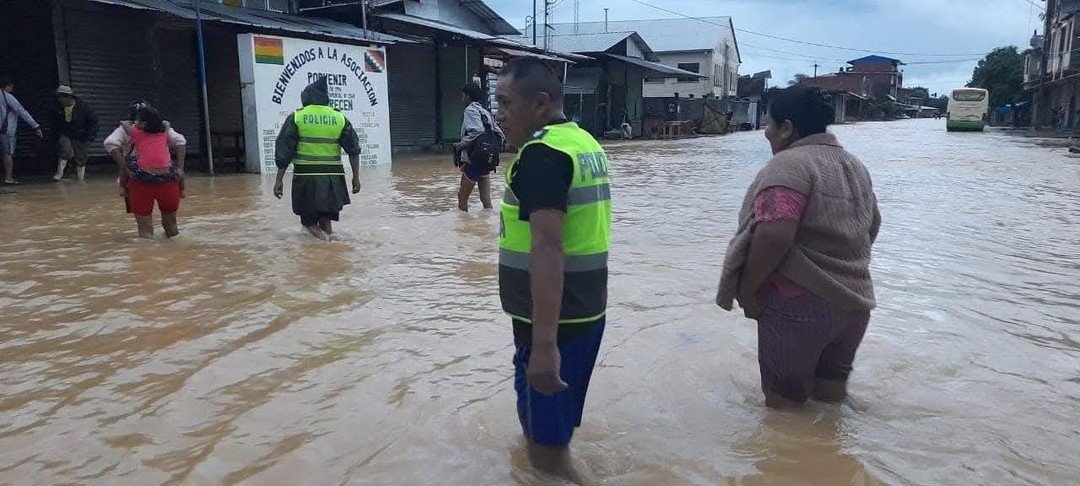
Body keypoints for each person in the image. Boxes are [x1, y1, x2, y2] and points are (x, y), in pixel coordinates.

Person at [715, 86, 881, 408]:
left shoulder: (788, 165)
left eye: (770, 124)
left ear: (787, 128)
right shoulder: (854, 166)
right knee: (830, 401)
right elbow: (871, 224)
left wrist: (747, 290)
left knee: (784, 411)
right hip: (855, 306)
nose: (767, 132)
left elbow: (773, 236)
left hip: (798, 309)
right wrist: (840, 264)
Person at [495, 57, 611, 482]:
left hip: (552, 327)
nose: (498, 115)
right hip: (584, 313)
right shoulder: (583, 142)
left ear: (540, 104)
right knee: (553, 440)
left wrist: (544, 347)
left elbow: (548, 247)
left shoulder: (542, 155)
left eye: (505, 103)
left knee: (546, 462)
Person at [273, 77, 362, 241]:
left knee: (308, 223)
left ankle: (324, 247)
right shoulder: (339, 118)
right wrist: (356, 177)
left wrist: (279, 180)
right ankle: (332, 249)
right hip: (333, 180)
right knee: (326, 219)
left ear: (307, 97)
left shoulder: (297, 117)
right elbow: (354, 150)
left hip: (306, 179)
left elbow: (284, 152)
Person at [104, 101, 187, 239]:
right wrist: (180, 168)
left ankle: (123, 188)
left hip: (138, 182)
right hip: (167, 181)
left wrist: (124, 168)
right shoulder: (163, 129)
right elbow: (181, 142)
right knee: (172, 228)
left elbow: (109, 143)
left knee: (145, 231)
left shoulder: (129, 130)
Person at [454, 81, 504, 211]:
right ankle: (487, 220)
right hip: (487, 159)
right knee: (485, 198)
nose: (462, 98)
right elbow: (499, 133)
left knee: (462, 197)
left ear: (468, 96)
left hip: (475, 159)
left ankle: (463, 222)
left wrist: (461, 145)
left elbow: (477, 131)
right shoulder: (484, 111)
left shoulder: (470, 110)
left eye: (463, 95)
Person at [0, 76, 43, 185]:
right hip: (5, 131)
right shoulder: (8, 97)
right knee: (7, 153)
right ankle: (9, 178)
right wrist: (35, 126)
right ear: (8, 86)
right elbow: (21, 111)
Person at [51, 85, 99, 181]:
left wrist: (90, 136)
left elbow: (93, 122)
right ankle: (59, 174)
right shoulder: (59, 108)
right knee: (65, 150)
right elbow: (55, 122)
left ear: (68, 97)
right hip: (66, 133)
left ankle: (80, 178)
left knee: (81, 156)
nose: (60, 100)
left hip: (80, 134)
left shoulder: (84, 107)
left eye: (61, 98)